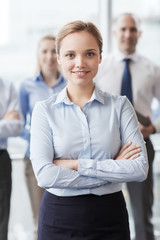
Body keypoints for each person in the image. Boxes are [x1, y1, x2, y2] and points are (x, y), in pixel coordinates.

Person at [30, 20, 148, 240]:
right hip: (59, 217)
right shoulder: (44, 111)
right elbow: (45, 175)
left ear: (100, 57)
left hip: (110, 216)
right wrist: (110, 171)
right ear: (58, 59)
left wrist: (76, 165)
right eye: (70, 55)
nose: (80, 63)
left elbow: (139, 169)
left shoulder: (121, 106)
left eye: (90, 54)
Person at [94, 13, 160, 240]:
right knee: (102, 212)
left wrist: (153, 128)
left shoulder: (152, 68)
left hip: (141, 146)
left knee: (142, 214)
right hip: (105, 149)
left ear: (139, 34)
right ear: (114, 33)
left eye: (132, 30)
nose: (127, 34)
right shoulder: (100, 68)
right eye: (123, 29)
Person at [19, 34, 67, 238]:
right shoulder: (26, 86)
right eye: (44, 51)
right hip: (35, 159)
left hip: (66, 159)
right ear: (38, 55)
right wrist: (38, 137)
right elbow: (21, 125)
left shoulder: (69, 84)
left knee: (65, 217)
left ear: (60, 55)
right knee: (39, 217)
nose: (49, 56)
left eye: (53, 51)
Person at [0, 77, 23, 240]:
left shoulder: (7, 85)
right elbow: (8, 125)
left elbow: (16, 127)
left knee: (2, 221)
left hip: (1, 159)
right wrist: (3, 122)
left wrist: (10, 123)